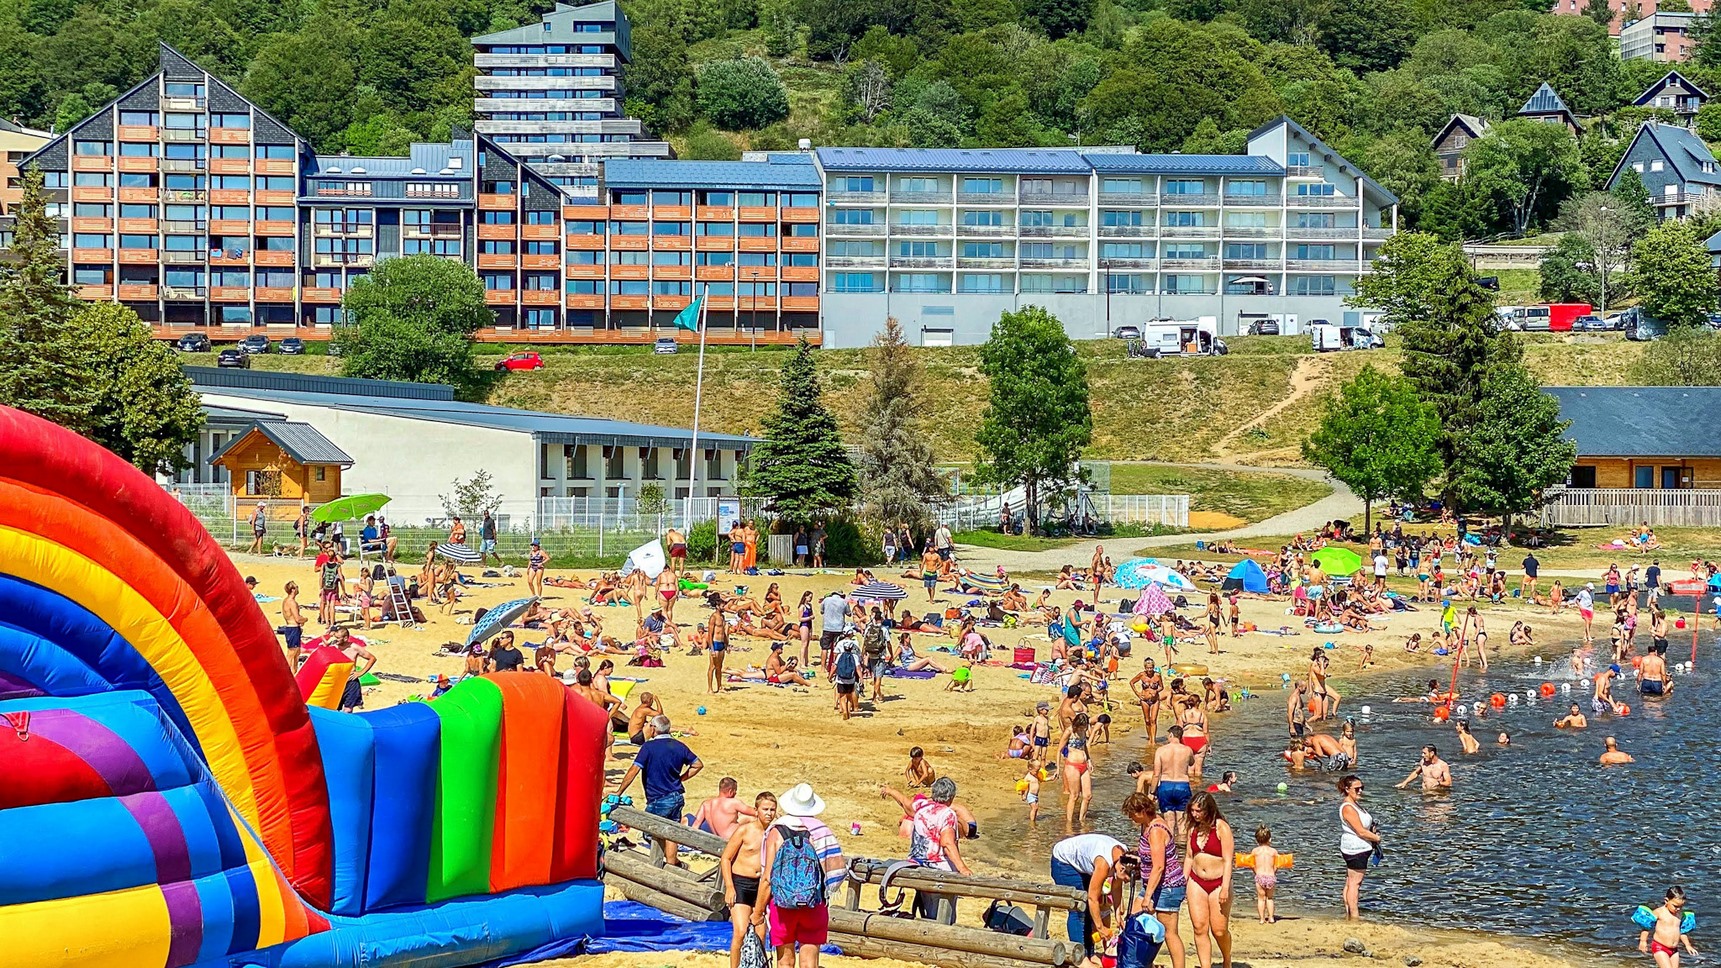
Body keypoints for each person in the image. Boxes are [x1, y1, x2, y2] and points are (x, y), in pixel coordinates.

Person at [753, 783, 844, 968]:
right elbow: (838, 871)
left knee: (785, 961)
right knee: (809, 962)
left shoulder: (776, 831)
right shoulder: (822, 831)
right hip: (814, 904)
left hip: (782, 905)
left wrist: (758, 910)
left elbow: (768, 877)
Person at [612, 714, 703, 868]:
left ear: (654, 729)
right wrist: (681, 779)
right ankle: (673, 864)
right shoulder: (679, 745)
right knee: (671, 832)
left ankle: (657, 867)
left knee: (651, 832)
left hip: (659, 798)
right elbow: (698, 765)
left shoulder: (648, 747)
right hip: (676, 796)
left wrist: (619, 791)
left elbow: (634, 770)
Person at [1123, 792, 1185, 968]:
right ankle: (1142, 962)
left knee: (1169, 933)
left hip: (1168, 885)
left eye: (1132, 814)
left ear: (1142, 811)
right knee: (1133, 920)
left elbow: (1159, 866)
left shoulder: (1156, 830)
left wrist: (1148, 896)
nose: (1130, 818)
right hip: (1152, 884)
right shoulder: (1146, 825)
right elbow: (1149, 856)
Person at [1048, 832, 1128, 960]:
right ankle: (1080, 957)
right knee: (1078, 908)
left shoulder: (1125, 857)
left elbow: (1116, 886)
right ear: (1122, 869)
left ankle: (1089, 953)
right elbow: (1092, 898)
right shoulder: (1104, 863)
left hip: (1082, 864)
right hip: (1063, 862)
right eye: (1126, 879)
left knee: (1089, 911)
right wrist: (1101, 928)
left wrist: (1118, 915)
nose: (1126, 882)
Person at [721, 791, 777, 968]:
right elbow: (726, 858)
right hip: (741, 883)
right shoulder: (745, 830)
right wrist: (729, 886)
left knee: (761, 933)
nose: (768, 813)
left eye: (772, 809)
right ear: (756, 810)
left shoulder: (775, 834)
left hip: (762, 885)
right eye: (765, 809)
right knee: (741, 931)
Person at [1184, 791, 1234, 968]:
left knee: (1219, 930)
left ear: (1208, 810)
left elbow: (1228, 860)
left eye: (1199, 811)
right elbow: (1189, 857)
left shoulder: (1221, 828)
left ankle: (1226, 959)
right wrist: (1183, 880)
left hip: (1218, 881)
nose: (1195, 815)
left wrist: (1225, 887)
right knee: (1199, 927)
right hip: (1196, 880)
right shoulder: (1192, 829)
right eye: (1193, 811)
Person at [1337, 775, 1379, 921]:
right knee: (1355, 883)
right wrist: (1377, 838)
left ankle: (1349, 912)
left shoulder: (1354, 804)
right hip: (1356, 849)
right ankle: (1354, 916)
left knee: (1350, 881)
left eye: (1362, 787)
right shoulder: (1348, 807)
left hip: (1356, 847)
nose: (1360, 791)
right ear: (1347, 789)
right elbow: (1360, 831)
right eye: (1357, 788)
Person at [1151, 725, 1196, 839]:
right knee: (1182, 823)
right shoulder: (1187, 750)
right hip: (1182, 785)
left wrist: (1152, 792)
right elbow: (1191, 763)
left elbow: (1156, 774)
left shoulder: (1161, 750)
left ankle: (1170, 850)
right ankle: (1182, 850)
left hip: (1166, 785)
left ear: (1171, 735)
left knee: (1169, 822)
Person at [1640, 887, 1698, 967]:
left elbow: (1682, 932)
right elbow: (1647, 926)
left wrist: (1688, 945)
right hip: (1660, 947)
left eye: (1681, 907)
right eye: (1675, 906)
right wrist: (1643, 941)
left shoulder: (1680, 915)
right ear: (1666, 901)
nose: (1678, 909)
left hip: (1674, 950)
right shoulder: (1659, 912)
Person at [693, 777, 759, 839]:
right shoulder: (733, 802)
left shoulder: (706, 804)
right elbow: (756, 813)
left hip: (716, 838)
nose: (735, 793)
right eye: (735, 790)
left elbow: (696, 824)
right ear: (730, 791)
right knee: (752, 818)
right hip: (732, 839)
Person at [333, 628, 376, 713]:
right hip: (337, 682)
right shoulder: (333, 647)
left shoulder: (354, 648)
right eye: (335, 637)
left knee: (348, 710)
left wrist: (360, 673)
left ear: (345, 638)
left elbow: (372, 658)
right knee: (334, 708)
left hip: (350, 682)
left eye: (338, 638)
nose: (335, 640)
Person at [1250, 826, 1279, 924]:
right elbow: (1276, 865)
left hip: (1260, 877)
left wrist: (1256, 872)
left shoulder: (1255, 851)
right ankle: (1271, 918)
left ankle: (1262, 919)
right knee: (1270, 898)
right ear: (1270, 839)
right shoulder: (1273, 851)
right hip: (1271, 877)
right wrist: (1273, 873)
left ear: (1256, 840)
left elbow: (1252, 864)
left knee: (1261, 899)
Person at [818, 590, 848, 675]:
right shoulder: (843, 602)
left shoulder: (826, 600)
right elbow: (848, 613)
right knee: (836, 648)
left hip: (827, 627)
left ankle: (822, 668)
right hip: (838, 627)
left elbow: (821, 611)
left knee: (824, 648)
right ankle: (833, 667)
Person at [279, 581, 307, 669]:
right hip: (293, 628)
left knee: (296, 653)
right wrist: (305, 619)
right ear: (293, 590)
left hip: (291, 628)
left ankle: (294, 673)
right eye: (297, 587)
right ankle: (287, 674)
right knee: (291, 653)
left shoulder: (286, 601)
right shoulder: (292, 602)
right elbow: (297, 618)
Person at [317, 549, 345, 627]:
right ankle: (332, 623)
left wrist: (321, 588)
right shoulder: (337, 566)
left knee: (327, 605)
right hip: (333, 588)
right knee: (332, 605)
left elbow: (321, 577)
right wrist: (343, 590)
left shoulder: (324, 565)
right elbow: (341, 578)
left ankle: (327, 623)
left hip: (325, 587)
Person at [707, 607, 729, 695]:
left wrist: (727, 644)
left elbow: (724, 633)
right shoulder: (713, 617)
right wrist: (712, 648)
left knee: (719, 667)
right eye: (722, 605)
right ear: (717, 606)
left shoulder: (722, 617)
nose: (723, 607)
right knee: (712, 667)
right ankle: (710, 688)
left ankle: (719, 687)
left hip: (721, 643)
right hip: (715, 643)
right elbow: (709, 634)